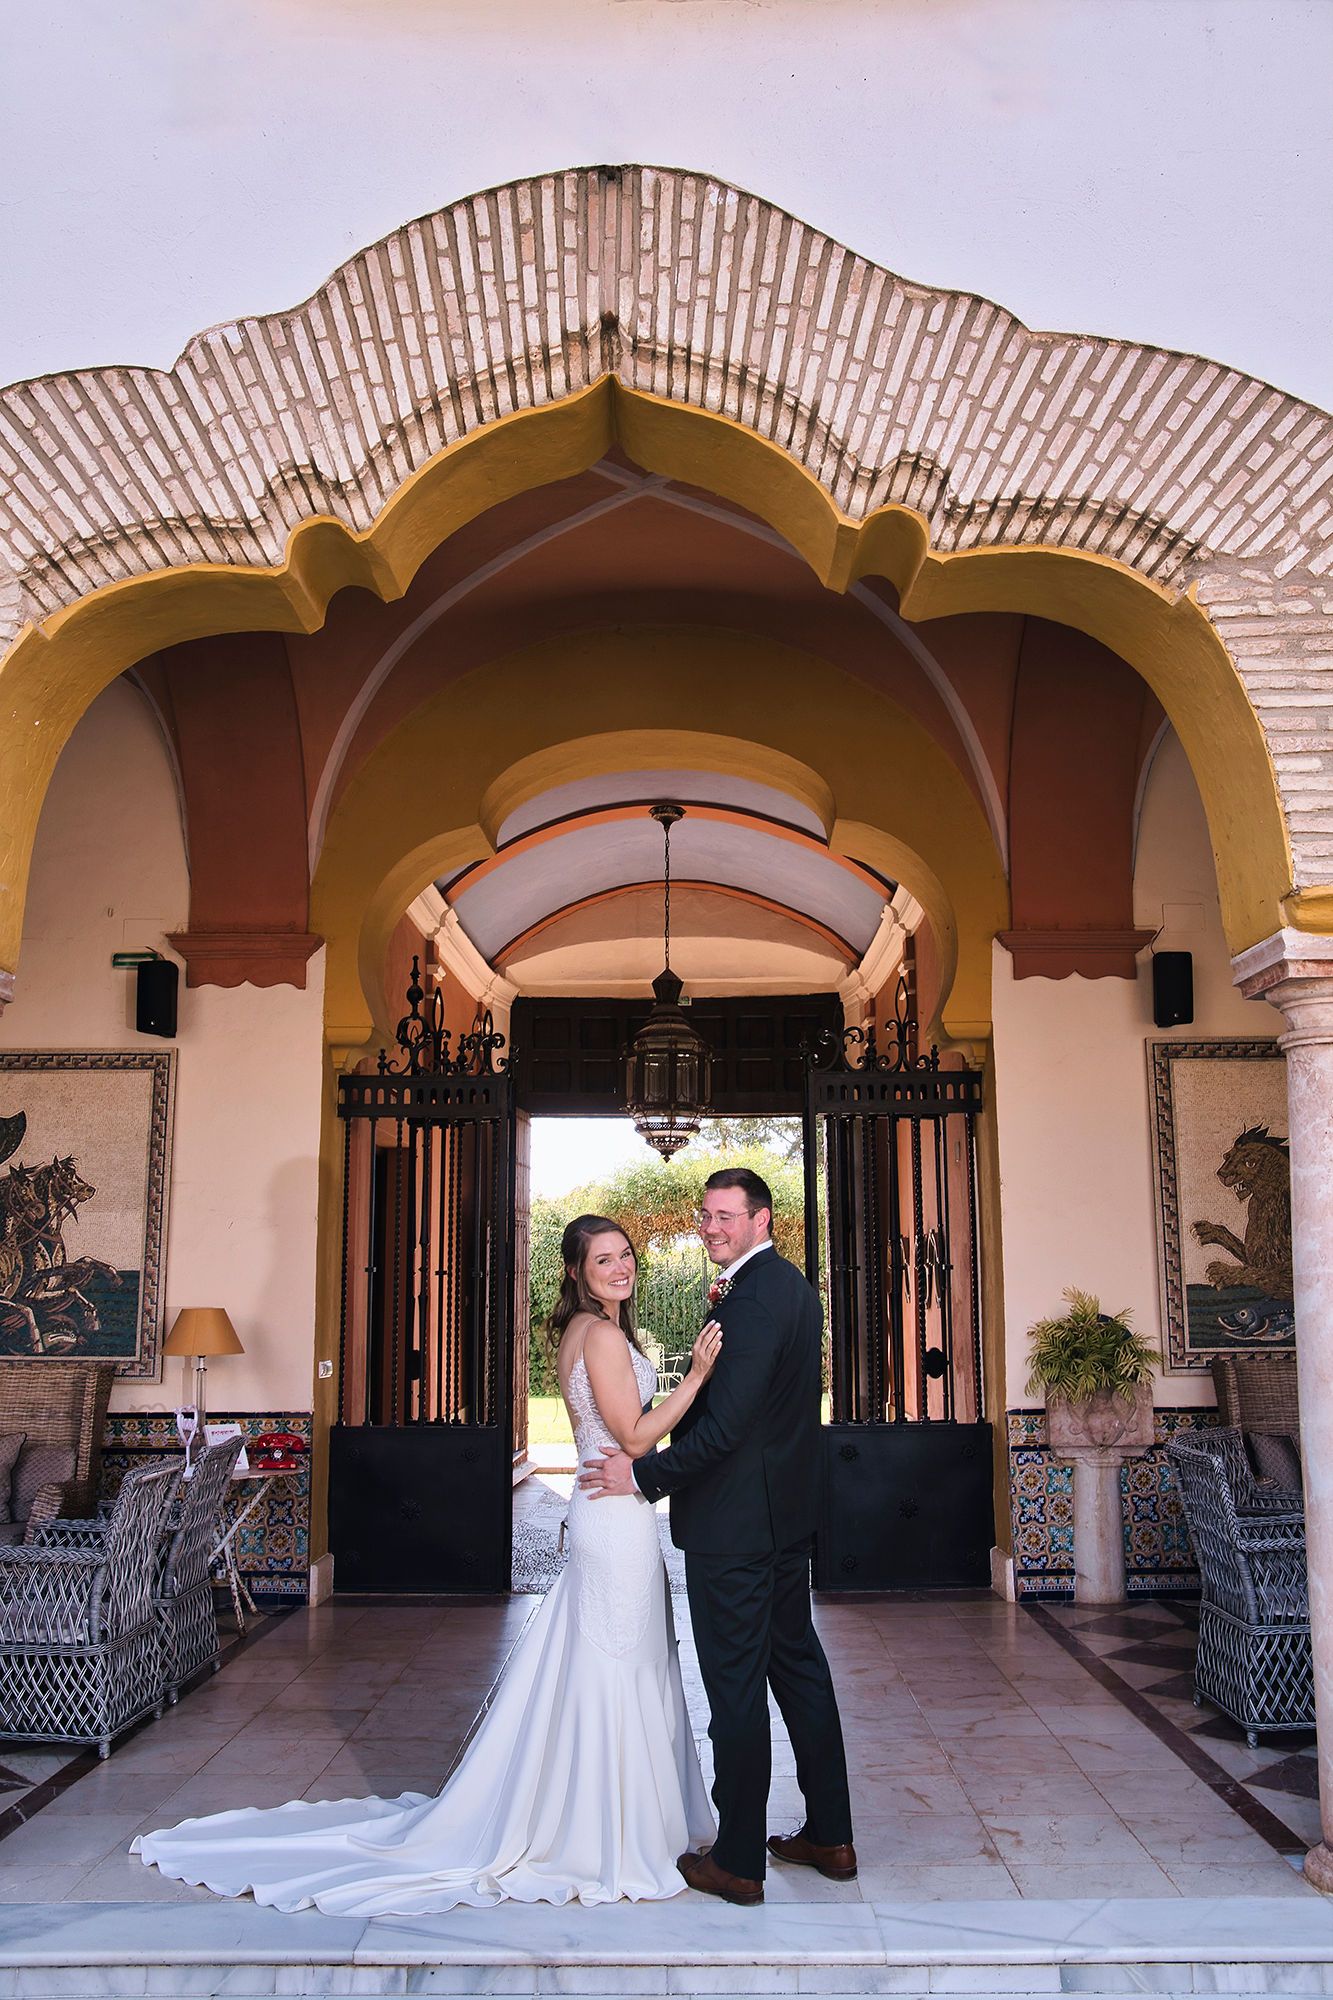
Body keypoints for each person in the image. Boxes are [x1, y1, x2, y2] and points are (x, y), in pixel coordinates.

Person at [131, 1214, 719, 1913]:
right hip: (614, 1515)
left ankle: (608, 1816)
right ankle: (613, 1833)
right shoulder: (598, 1335)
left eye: (624, 1256)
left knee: (613, 1661)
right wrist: (698, 1376)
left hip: (606, 1510)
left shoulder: (582, 1332)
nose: (619, 1268)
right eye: (602, 1260)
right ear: (575, 1271)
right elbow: (632, 1433)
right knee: (623, 1660)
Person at [580, 1167, 854, 1907]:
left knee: (735, 1691)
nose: (710, 1228)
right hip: (782, 1519)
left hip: (737, 1529)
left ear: (761, 1221)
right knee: (797, 1670)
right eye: (705, 1216)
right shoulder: (788, 1287)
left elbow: (730, 1430)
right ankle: (831, 1835)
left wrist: (643, 1479)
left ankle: (737, 1860)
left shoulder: (753, 1300)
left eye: (726, 1217)